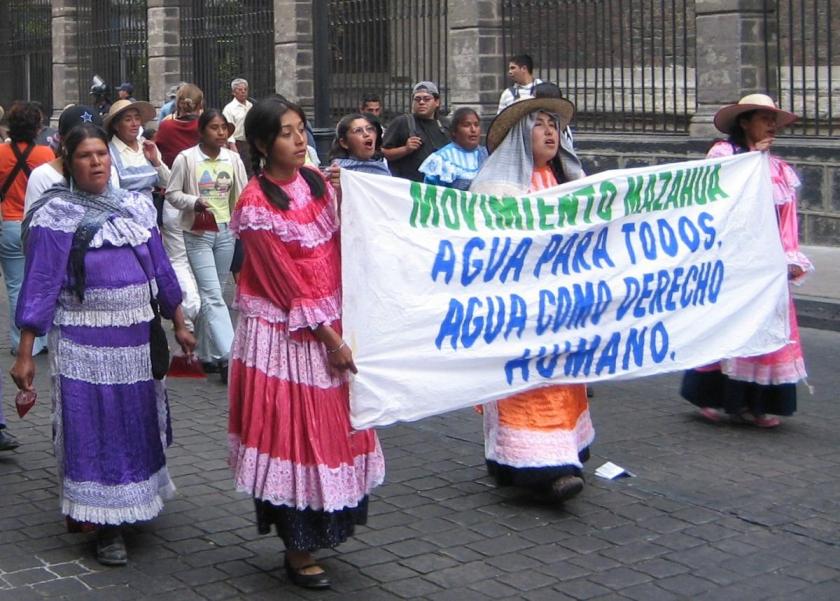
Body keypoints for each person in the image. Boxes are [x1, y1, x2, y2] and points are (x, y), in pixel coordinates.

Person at [10, 123, 195, 566]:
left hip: (135, 341)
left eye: (101, 154)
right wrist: (24, 352)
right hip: (82, 344)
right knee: (95, 426)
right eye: (85, 156)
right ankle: (105, 525)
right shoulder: (55, 215)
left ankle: (135, 500)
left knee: (134, 421)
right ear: (68, 163)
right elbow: (39, 285)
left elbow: (161, 269)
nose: (96, 162)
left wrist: (180, 320)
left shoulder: (134, 207)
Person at [228, 97, 385, 589]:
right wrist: (331, 338)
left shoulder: (316, 181)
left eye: (301, 131)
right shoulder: (255, 204)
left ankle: (322, 529)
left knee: (335, 430)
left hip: (328, 321)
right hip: (286, 335)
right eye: (287, 133)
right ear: (260, 143)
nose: (299, 141)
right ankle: (297, 548)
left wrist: (353, 193)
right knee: (294, 433)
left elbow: (345, 241)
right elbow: (286, 284)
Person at [469, 94, 594, 503]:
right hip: (520, 310)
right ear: (524, 135)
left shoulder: (570, 185)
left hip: (563, 308)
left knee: (559, 380)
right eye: (540, 124)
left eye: (554, 125)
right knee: (528, 384)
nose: (549, 132)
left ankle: (557, 454)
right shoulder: (496, 189)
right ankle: (545, 466)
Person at [681, 94, 813, 428]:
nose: (771, 126)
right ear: (744, 121)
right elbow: (716, 198)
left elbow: (786, 218)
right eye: (764, 119)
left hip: (767, 258)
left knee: (767, 327)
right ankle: (715, 396)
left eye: (774, 121)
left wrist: (788, 256)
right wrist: (751, 160)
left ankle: (758, 402)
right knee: (728, 323)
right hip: (733, 256)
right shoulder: (724, 155)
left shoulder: (779, 168)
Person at [166, 109, 246, 381]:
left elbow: (242, 195)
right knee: (212, 295)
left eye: (224, 127)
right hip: (197, 233)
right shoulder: (186, 159)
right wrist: (194, 202)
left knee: (214, 293)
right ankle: (230, 357)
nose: (221, 133)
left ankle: (204, 353)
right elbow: (173, 194)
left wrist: (241, 227)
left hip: (226, 231)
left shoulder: (233, 159)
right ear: (201, 131)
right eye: (214, 127)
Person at [0, 101, 54, 357]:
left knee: (15, 286)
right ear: (37, 127)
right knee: (39, 283)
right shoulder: (45, 155)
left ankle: (18, 343)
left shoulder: (0, 153)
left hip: (9, 223)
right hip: (38, 224)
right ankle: (39, 341)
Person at [25, 106, 103, 215]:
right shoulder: (42, 176)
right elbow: (32, 226)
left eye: (95, 136)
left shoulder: (108, 171)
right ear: (62, 140)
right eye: (79, 138)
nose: (96, 161)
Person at [382, 81, 448, 181]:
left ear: (437, 102)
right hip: (409, 188)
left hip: (439, 188)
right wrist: (406, 149)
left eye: (426, 99)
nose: (421, 102)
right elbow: (383, 152)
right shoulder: (402, 122)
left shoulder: (446, 124)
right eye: (417, 99)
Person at [103, 99, 169, 199]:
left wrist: (155, 161)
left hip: (150, 211)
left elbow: (168, 183)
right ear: (116, 126)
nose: (135, 124)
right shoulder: (108, 152)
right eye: (128, 120)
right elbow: (111, 193)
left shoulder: (148, 146)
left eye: (137, 118)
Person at [419, 107, 487, 190]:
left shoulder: (489, 155)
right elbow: (430, 194)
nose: (473, 130)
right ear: (454, 131)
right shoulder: (441, 160)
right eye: (466, 125)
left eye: (476, 125)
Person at [156, 83, 203, 168]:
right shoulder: (205, 126)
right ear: (200, 105)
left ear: (177, 103)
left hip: (173, 176)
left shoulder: (166, 126)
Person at [223, 78, 253, 176]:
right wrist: (232, 145)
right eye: (240, 90)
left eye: (245, 89)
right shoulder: (229, 109)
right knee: (239, 172)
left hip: (250, 143)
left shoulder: (251, 105)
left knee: (252, 171)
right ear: (234, 92)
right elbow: (227, 128)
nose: (243, 92)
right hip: (237, 144)